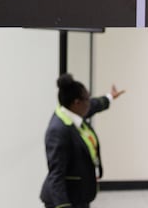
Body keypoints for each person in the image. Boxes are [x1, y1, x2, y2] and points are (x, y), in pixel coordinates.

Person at [40, 73, 125, 208]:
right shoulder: (58, 130)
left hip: (78, 195)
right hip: (64, 200)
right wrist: (63, 205)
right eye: (87, 98)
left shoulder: (72, 113)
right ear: (77, 102)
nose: (89, 102)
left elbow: (94, 105)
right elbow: (56, 176)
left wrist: (110, 97)